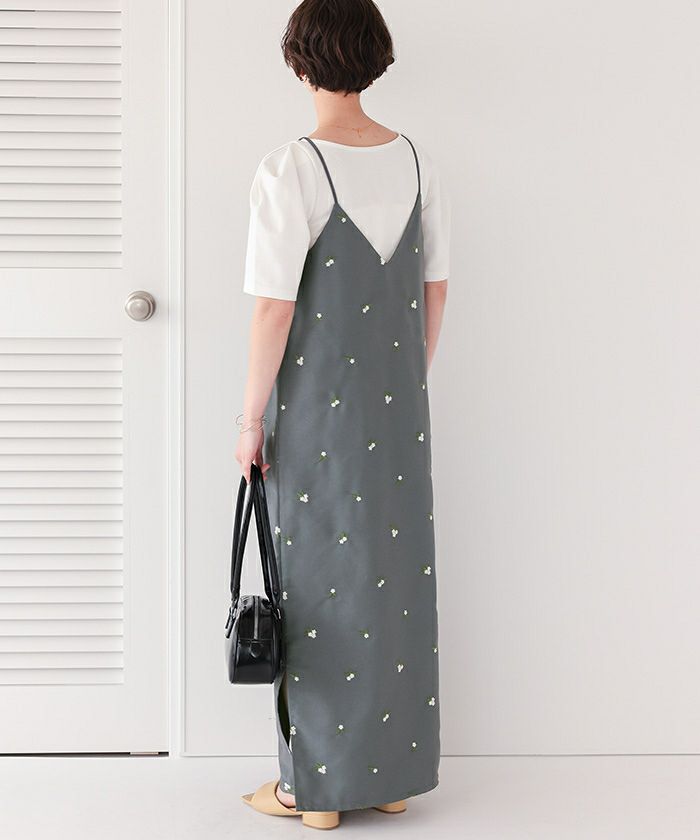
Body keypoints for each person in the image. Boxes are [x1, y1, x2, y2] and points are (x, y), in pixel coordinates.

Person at [237, 0, 450, 829]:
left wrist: (249, 421)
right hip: (399, 414)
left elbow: (272, 310)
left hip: (315, 415)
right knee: (392, 581)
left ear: (299, 63)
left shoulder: (291, 168)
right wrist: (401, 387)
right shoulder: (417, 162)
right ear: (376, 59)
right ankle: (386, 777)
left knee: (319, 582)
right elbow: (434, 290)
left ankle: (311, 791)